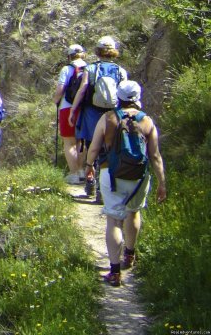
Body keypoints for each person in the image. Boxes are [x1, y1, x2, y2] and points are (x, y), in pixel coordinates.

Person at [84, 80, 166, 287]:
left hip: (111, 174)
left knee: (113, 220)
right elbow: (155, 156)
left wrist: (88, 166)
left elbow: (94, 148)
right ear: (138, 97)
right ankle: (129, 254)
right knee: (134, 212)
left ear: (118, 98)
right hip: (139, 177)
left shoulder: (108, 117)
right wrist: (161, 183)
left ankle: (114, 271)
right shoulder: (147, 121)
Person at [70, 36, 128, 201]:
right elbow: (124, 95)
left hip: (91, 113)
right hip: (113, 115)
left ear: (98, 51)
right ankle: (106, 189)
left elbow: (82, 90)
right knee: (109, 149)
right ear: (113, 51)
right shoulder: (120, 71)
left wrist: (73, 110)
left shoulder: (91, 69)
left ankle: (91, 184)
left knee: (92, 148)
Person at [56, 44, 87, 183]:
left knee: (69, 142)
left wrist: (55, 100)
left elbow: (60, 89)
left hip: (67, 107)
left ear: (69, 56)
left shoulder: (67, 69)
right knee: (81, 141)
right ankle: (81, 171)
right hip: (85, 108)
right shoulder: (90, 68)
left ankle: (74, 173)